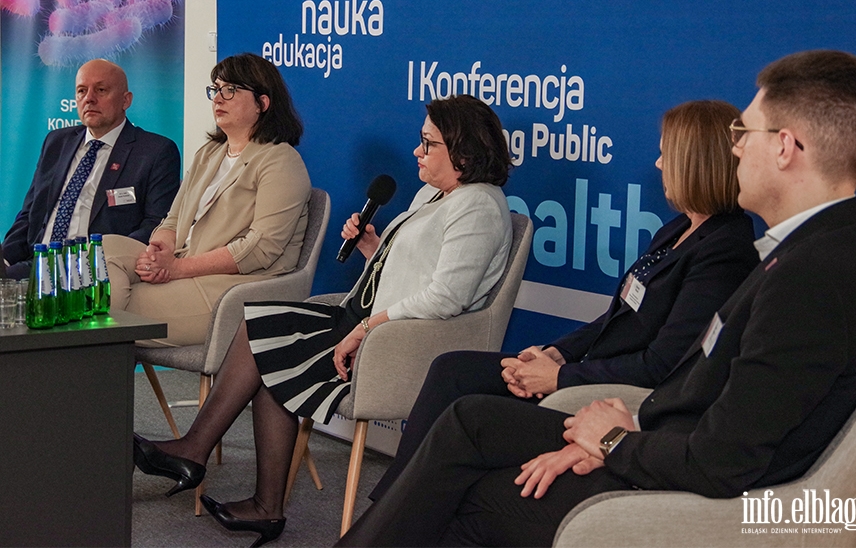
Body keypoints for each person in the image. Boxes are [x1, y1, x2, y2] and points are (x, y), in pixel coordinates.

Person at [336, 50, 856, 548]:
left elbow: (724, 461)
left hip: (712, 504)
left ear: (785, 148)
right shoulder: (813, 253)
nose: (734, 152)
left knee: (474, 494)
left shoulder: (815, 279)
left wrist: (610, 440)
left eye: (743, 135)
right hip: (666, 444)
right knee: (470, 422)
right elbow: (709, 389)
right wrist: (624, 422)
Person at [133, 94, 514, 546]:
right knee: (262, 334)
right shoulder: (434, 193)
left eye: (428, 144)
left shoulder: (480, 208)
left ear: (465, 154)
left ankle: (209, 464)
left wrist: (367, 328)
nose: (417, 151)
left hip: (394, 339)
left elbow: (447, 298)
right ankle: (256, 500)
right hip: (363, 318)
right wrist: (375, 248)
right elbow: (415, 272)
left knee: (265, 339)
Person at [370, 99, 759, 501]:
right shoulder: (679, 228)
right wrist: (555, 353)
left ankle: (395, 506)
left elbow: (663, 365)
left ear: (696, 162)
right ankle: (393, 499)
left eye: (666, 154)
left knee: (469, 415)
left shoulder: (724, 251)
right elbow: (616, 318)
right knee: (454, 369)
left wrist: (559, 378)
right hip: (586, 370)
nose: (658, 165)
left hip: (614, 397)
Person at [104, 53, 310, 347]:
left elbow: (261, 248)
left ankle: (96, 374)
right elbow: (173, 219)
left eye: (231, 90)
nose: (218, 99)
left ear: (262, 103)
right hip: (184, 267)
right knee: (102, 249)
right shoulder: (209, 154)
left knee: (103, 308)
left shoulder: (280, 161)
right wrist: (158, 250)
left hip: (230, 289)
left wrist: (176, 269)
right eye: (216, 89)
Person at [1, 59, 180, 279]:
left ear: (126, 100)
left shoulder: (155, 151)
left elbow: (155, 225)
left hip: (94, 270)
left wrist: (97, 260)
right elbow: (30, 215)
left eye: (101, 90)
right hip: (38, 263)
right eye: (82, 91)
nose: (89, 99)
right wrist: (5, 259)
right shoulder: (56, 142)